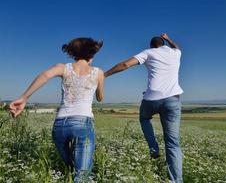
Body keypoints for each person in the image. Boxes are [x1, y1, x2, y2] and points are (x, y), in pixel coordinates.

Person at [9, 38, 105, 182]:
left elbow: (45, 75)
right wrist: (99, 84)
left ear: (73, 53)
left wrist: (24, 98)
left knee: (70, 166)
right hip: (82, 124)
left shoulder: (63, 67)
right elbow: (100, 98)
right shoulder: (98, 72)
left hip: (60, 125)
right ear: (92, 54)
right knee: (82, 174)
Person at [105, 33, 184, 183]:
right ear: (164, 44)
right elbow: (177, 47)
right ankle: (176, 181)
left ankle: (154, 149)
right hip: (173, 100)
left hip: (151, 99)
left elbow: (125, 64)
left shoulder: (148, 52)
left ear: (151, 45)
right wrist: (168, 39)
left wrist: (105, 74)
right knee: (173, 143)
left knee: (144, 118)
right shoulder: (175, 53)